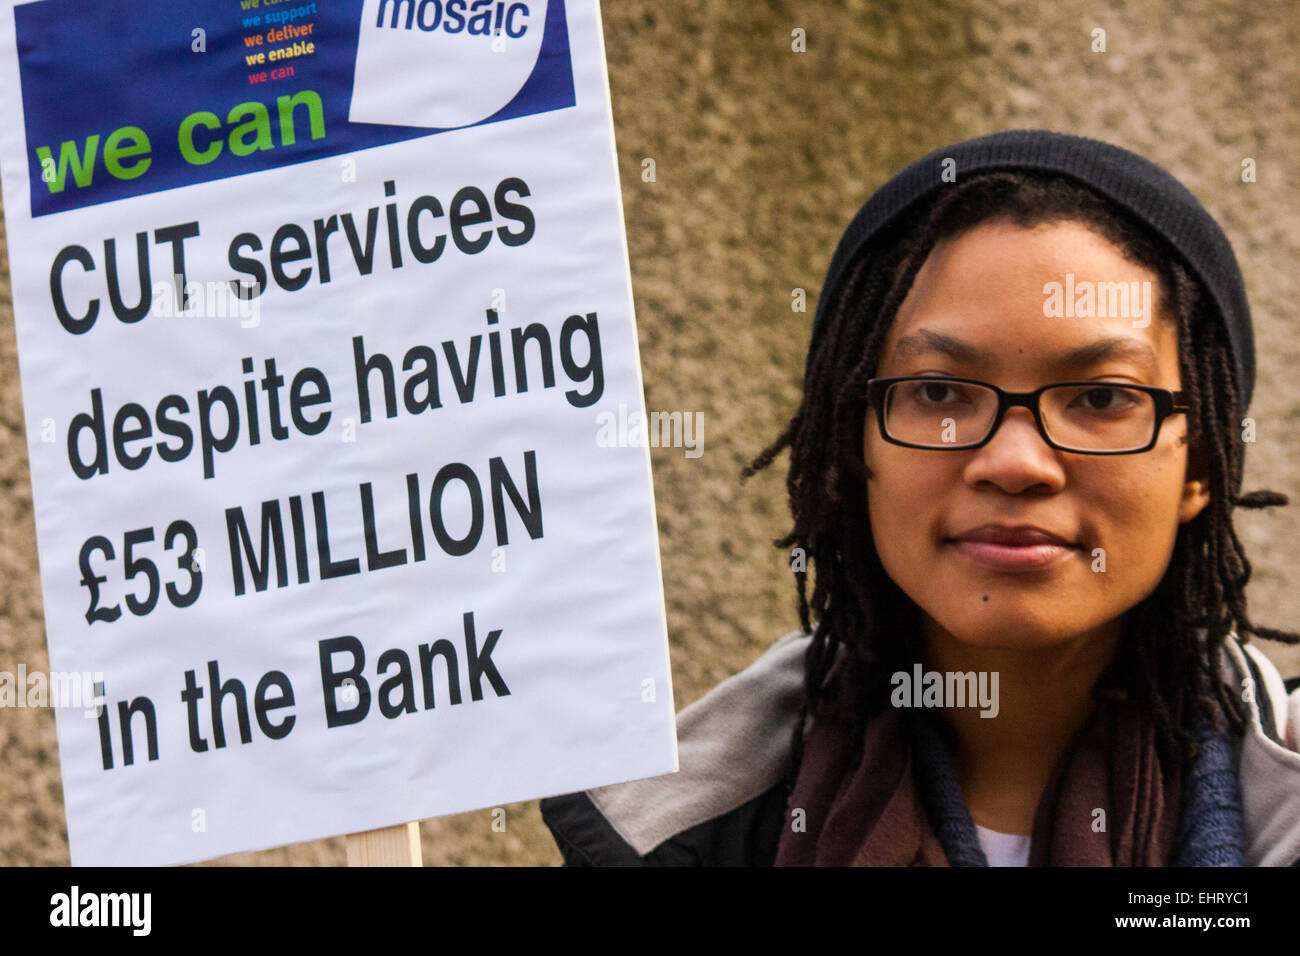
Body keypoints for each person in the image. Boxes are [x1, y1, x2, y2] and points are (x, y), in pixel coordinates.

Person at [539, 129, 1300, 866]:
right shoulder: (679, 832)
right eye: (938, 391)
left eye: (1101, 398)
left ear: (1199, 463)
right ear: (853, 443)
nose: (1015, 462)